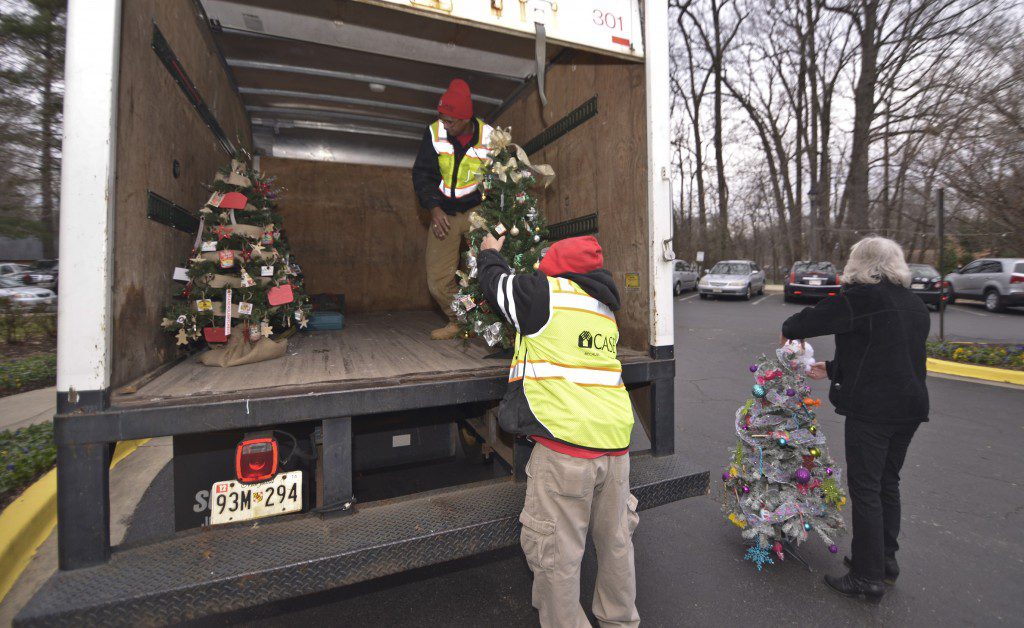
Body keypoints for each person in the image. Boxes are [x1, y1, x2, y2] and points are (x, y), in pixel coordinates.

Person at [477, 233, 640, 628]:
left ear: (555, 265)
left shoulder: (543, 294)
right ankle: (621, 622)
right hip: (616, 448)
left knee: (557, 557)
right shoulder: (603, 308)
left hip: (566, 447)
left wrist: (489, 252)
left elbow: (496, 285)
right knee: (616, 544)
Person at [780, 236, 929, 602]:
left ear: (859, 264)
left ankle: (866, 577)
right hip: (908, 408)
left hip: (873, 411)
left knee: (865, 489)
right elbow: (884, 353)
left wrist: (791, 334)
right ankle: (883, 562)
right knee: (886, 483)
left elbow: (800, 322)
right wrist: (831, 367)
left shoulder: (859, 298)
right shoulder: (913, 303)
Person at [412, 78, 494, 339]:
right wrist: (433, 208)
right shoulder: (435, 133)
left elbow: (504, 178)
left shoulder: (491, 138)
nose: (444, 125)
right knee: (437, 280)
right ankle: (459, 320)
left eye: (450, 121)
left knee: (487, 269)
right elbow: (422, 174)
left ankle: (491, 324)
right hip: (443, 213)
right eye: (442, 118)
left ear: (466, 119)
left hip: (477, 211)